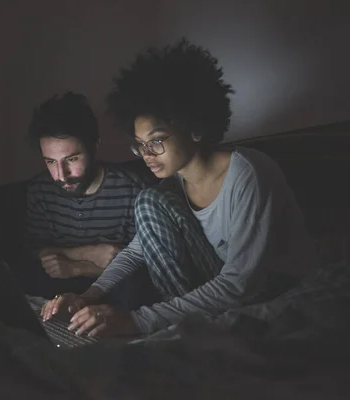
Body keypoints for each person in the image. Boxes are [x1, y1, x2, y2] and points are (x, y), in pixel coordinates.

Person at [41, 39, 319, 337]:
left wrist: (138, 321)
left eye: (157, 141)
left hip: (274, 287)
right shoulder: (172, 187)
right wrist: (89, 296)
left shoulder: (249, 173)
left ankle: (183, 329)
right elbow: (137, 252)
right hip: (222, 292)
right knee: (149, 201)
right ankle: (186, 329)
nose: (147, 153)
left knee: (148, 201)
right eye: (141, 145)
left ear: (196, 128)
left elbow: (241, 282)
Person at [22, 92, 159, 307]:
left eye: (72, 159)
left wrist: (79, 267)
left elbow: (147, 263)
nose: (61, 175)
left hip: (118, 288)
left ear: (94, 146)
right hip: (60, 286)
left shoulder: (133, 187)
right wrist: (87, 253)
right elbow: (38, 253)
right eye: (50, 161)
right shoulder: (40, 190)